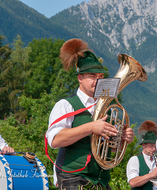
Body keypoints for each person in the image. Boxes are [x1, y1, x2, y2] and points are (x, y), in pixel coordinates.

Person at [45, 38, 135, 190]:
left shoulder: (107, 107)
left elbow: (109, 147)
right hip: (72, 179)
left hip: (100, 181)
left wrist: (122, 141)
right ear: (80, 78)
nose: (97, 80)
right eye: (92, 76)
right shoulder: (66, 105)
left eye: (100, 76)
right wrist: (91, 127)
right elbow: (54, 140)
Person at [126, 120, 157, 190]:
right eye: (151, 146)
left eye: (155, 146)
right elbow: (133, 182)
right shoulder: (135, 160)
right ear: (143, 145)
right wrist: (152, 174)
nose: (154, 149)